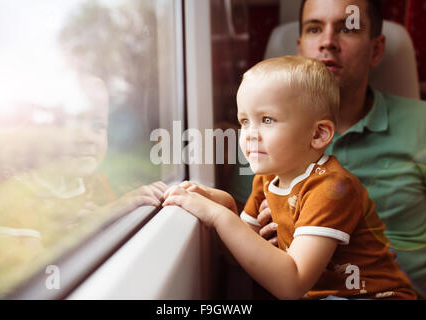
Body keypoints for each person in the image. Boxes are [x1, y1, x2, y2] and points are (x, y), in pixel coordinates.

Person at [163, 56, 416, 299]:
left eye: (267, 119)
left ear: (318, 134)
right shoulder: (267, 178)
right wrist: (226, 205)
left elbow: (291, 283)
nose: (250, 134)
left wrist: (220, 217)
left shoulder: (331, 187)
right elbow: (235, 257)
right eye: (244, 121)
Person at [229, 0, 426, 297]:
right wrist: (260, 245)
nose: (327, 42)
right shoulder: (261, 145)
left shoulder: (421, 123)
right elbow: (238, 251)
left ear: (376, 49)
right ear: (299, 48)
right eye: (314, 28)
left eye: (348, 28)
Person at [0, 73, 167, 298]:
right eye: (72, 122)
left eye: (98, 124)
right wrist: (104, 216)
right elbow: (41, 276)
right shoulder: (10, 198)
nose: (87, 137)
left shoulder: (98, 184)